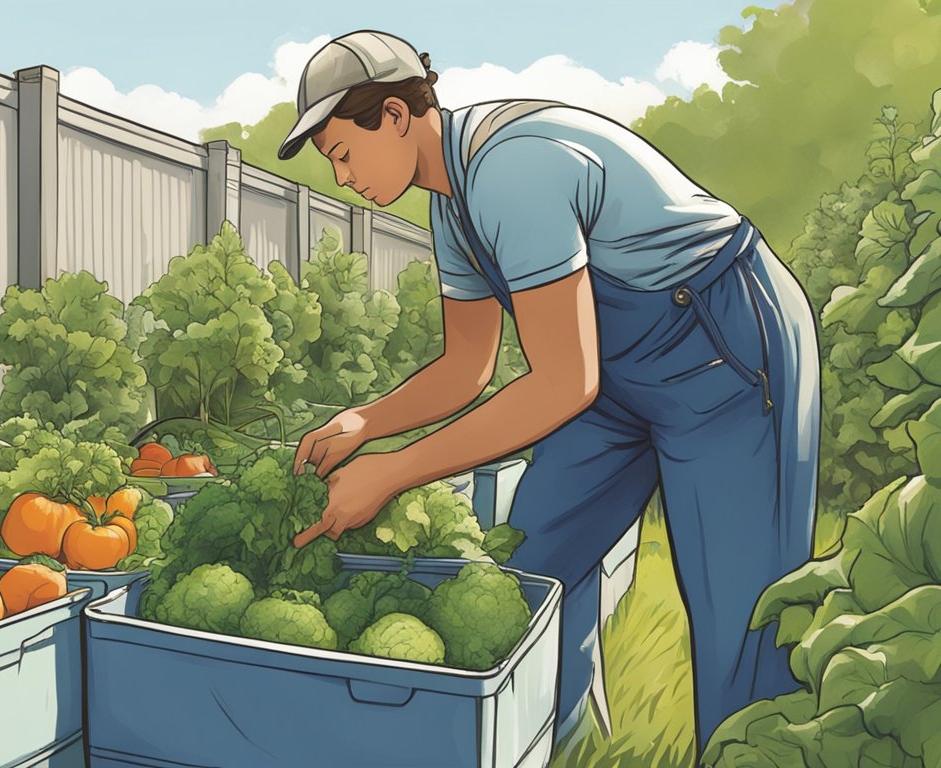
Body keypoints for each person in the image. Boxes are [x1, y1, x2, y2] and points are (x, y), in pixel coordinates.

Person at [282, 30, 820, 755]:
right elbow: (467, 367)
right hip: (616, 379)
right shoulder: (452, 210)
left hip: (724, 347)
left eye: (343, 152)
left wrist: (393, 471)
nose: (342, 178)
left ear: (396, 116)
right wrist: (365, 422)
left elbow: (565, 381)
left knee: (742, 612)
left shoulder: (512, 169)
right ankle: (552, 739)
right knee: (530, 567)